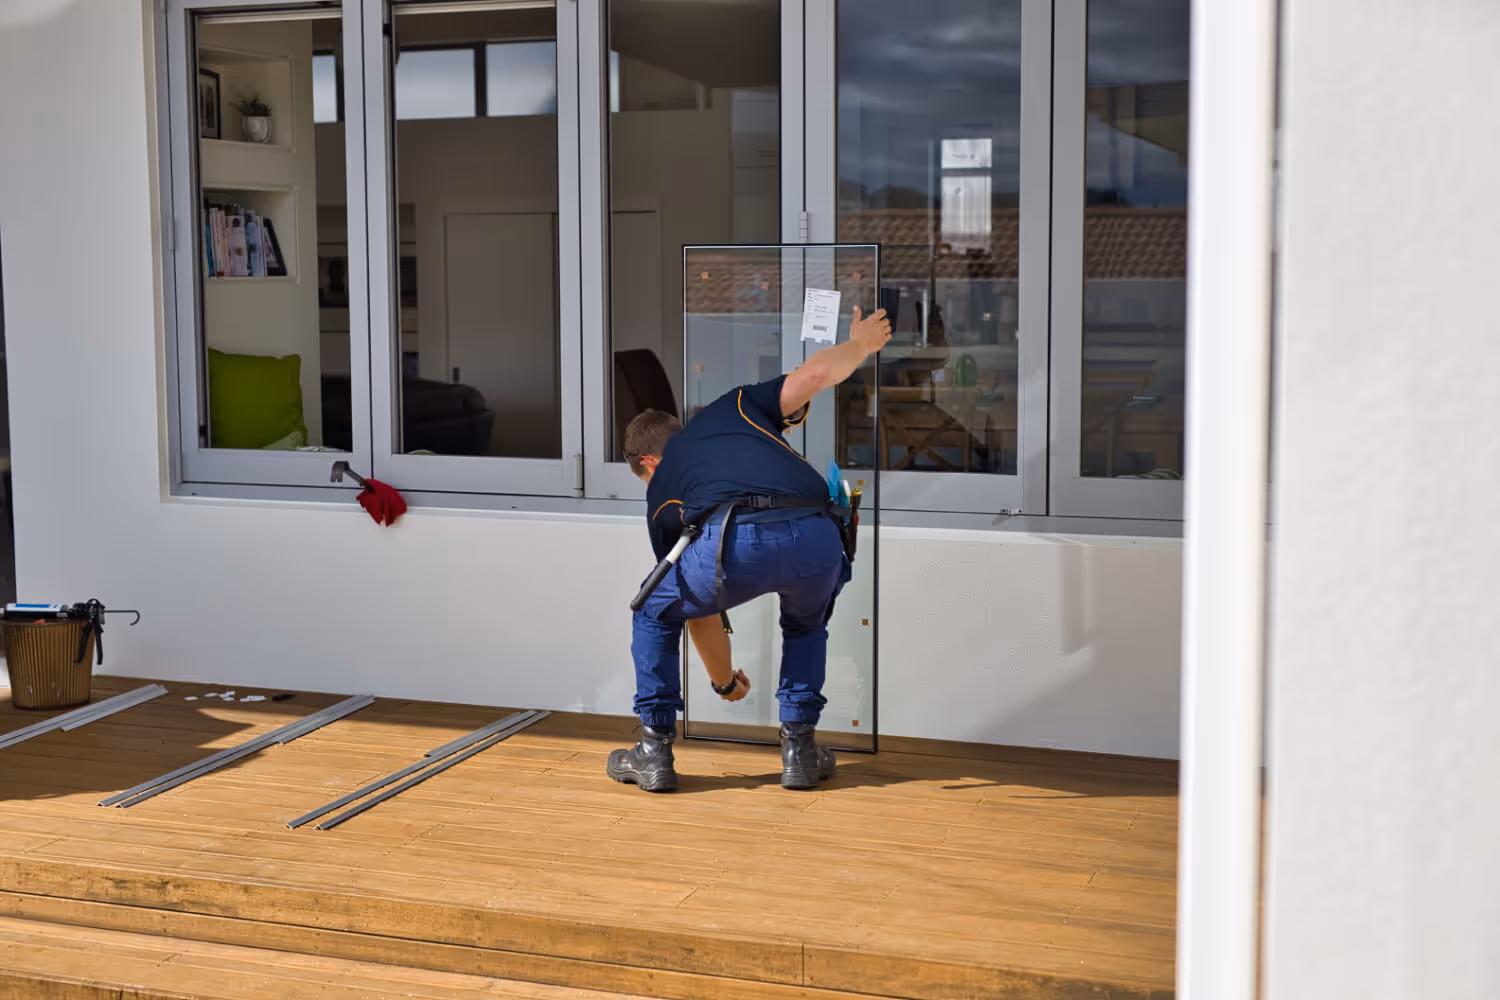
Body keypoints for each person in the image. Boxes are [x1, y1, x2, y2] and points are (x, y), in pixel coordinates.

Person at [609, 306, 892, 793]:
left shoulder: (663, 489)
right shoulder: (737, 406)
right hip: (819, 533)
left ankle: (654, 750)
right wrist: (863, 344)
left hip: (737, 539)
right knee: (806, 625)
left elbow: (698, 611)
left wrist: (723, 682)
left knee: (655, 610)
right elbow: (818, 373)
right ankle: (799, 751)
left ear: (648, 460)